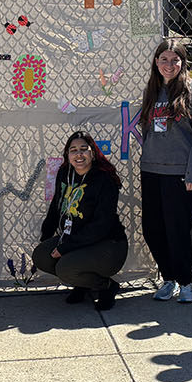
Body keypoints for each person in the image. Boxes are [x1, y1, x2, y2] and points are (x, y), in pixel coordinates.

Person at [137, 38, 192, 303]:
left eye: (175, 60)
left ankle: (185, 282)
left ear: (183, 62)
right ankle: (168, 279)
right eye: (164, 60)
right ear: (156, 63)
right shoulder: (152, 91)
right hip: (151, 170)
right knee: (152, 228)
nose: (169, 65)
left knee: (177, 229)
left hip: (179, 173)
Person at [33, 131, 128, 310]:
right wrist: (47, 236)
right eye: (73, 150)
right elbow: (56, 206)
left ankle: (107, 286)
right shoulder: (65, 173)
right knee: (41, 256)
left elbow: (101, 226)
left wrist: (65, 248)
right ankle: (83, 284)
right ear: (67, 155)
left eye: (84, 149)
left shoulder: (104, 180)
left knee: (65, 268)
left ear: (93, 153)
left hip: (108, 244)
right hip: (76, 239)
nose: (79, 154)